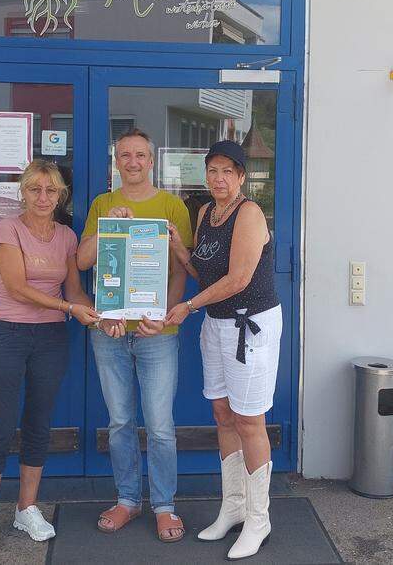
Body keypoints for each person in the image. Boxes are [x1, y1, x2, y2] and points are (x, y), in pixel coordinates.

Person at [0, 160, 101, 552]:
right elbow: (16, 287)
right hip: (6, 334)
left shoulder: (65, 235)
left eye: (51, 191)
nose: (42, 198)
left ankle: (26, 508)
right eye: (34, 190)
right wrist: (68, 308)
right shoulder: (8, 228)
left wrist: (100, 314)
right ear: (22, 192)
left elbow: (74, 291)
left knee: (38, 423)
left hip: (50, 338)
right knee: (1, 423)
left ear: (61, 195)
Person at [164, 139, 281, 561]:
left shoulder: (249, 214)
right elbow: (202, 268)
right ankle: (233, 506)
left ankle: (258, 517)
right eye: (212, 170)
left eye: (227, 171)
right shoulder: (206, 213)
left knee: (250, 419)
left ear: (242, 176)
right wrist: (179, 245)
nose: (218, 178)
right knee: (222, 413)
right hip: (216, 324)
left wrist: (188, 306)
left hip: (249, 324)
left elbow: (237, 279)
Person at [77, 129, 194, 543]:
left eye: (139, 155)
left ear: (151, 160)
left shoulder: (172, 205)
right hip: (108, 329)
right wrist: (109, 228)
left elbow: (181, 268)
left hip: (157, 331)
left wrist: (163, 316)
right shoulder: (103, 203)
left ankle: (165, 506)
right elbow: (84, 260)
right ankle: (127, 499)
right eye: (124, 155)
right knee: (120, 422)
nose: (131, 161)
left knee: (161, 426)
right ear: (116, 161)